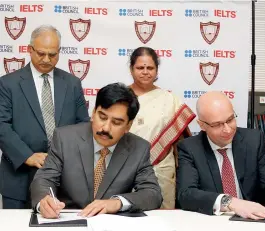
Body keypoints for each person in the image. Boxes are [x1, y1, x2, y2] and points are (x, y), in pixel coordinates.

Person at [30, 83, 162, 218]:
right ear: (93, 113)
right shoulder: (65, 138)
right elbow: (44, 180)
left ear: (128, 125)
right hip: (69, 220)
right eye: (102, 117)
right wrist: (44, 202)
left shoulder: (138, 148)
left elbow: (152, 193)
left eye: (116, 122)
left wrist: (117, 203)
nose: (105, 128)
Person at [0, 25, 89, 209]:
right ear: (29, 50)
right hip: (19, 177)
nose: (46, 59)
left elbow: (83, 126)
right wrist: (27, 156)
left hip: (64, 179)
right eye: (41, 53)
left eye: (52, 54)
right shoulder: (8, 84)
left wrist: (69, 158)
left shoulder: (72, 84)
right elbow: (1, 125)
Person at [176, 91, 265, 219]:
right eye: (217, 124)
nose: (227, 129)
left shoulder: (253, 140)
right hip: (212, 222)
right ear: (202, 125)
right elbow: (186, 194)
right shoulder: (190, 148)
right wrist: (230, 202)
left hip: (253, 221)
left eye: (230, 120)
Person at [128, 47, 196, 209]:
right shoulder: (121, 97)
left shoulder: (169, 99)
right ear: (131, 69)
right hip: (127, 166)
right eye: (140, 68)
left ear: (157, 70)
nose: (145, 72)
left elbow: (179, 139)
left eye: (150, 68)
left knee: (163, 217)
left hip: (162, 167)